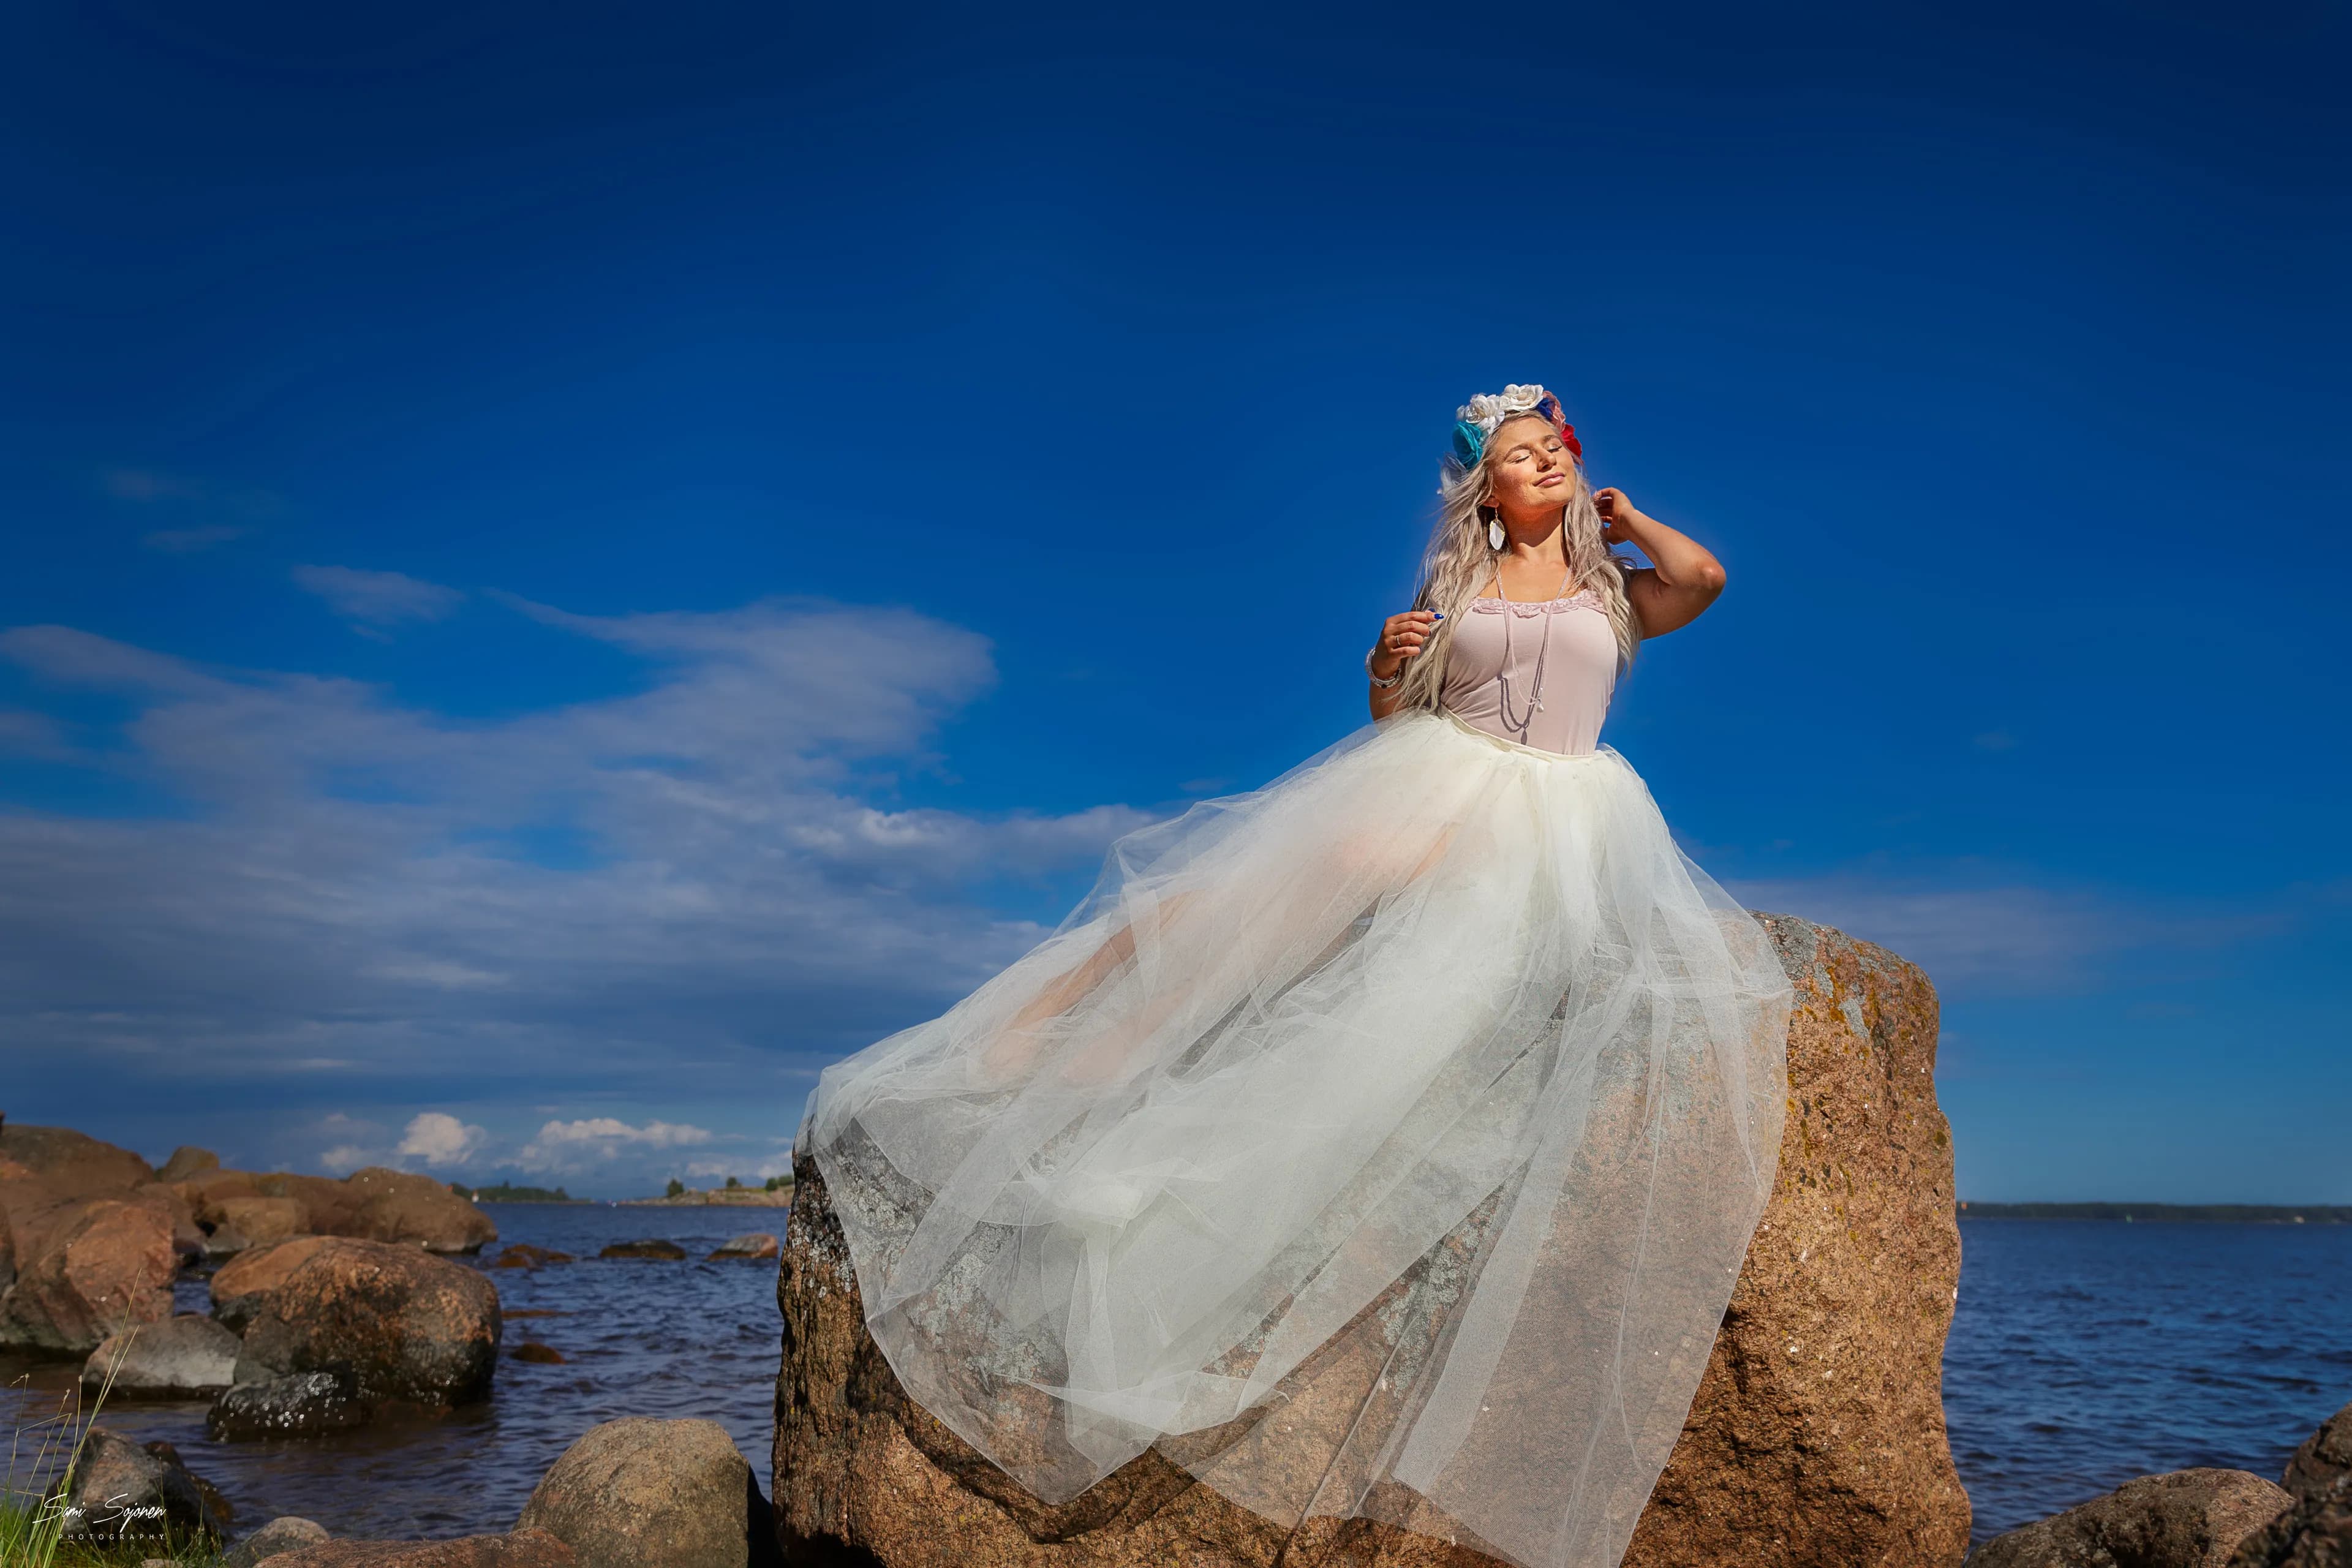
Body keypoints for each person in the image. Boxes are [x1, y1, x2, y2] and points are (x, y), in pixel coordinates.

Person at [796, 383, 1793, 1568]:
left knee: (1415, 1010)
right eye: (1521, 460)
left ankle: (1153, 1167)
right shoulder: (1454, 587)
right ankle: (1059, 1052)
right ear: (1485, 491)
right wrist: (1382, 663)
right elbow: (1392, 718)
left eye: (1554, 453)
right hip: (1437, 776)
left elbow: (1707, 580)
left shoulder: (1612, 594)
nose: (1544, 468)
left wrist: (1625, 515)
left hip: (1568, 819)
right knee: (1218, 911)